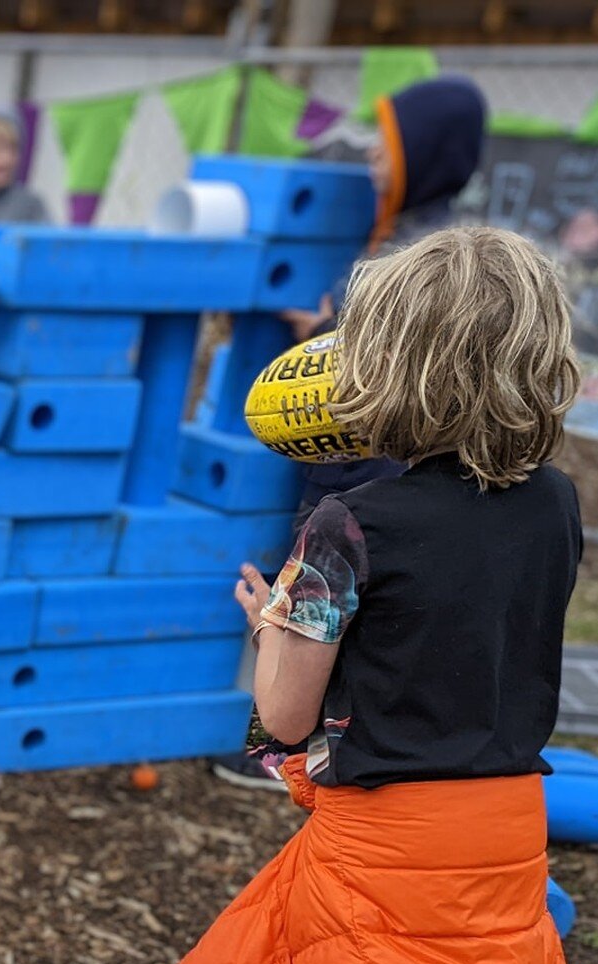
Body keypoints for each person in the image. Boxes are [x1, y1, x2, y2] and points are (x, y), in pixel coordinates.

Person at [171, 226, 581, 964]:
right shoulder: (557, 503)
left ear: (391, 367)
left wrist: (271, 627)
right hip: (505, 837)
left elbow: (285, 716)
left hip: (385, 848)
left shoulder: (348, 524)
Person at [211, 74, 487, 789]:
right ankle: (283, 748)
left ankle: (280, 753)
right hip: (348, 460)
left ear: (426, 155)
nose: (372, 158)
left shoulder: (424, 251)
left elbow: (387, 347)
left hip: (366, 466)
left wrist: (323, 331)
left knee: (318, 613)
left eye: (388, 146)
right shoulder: (400, 230)